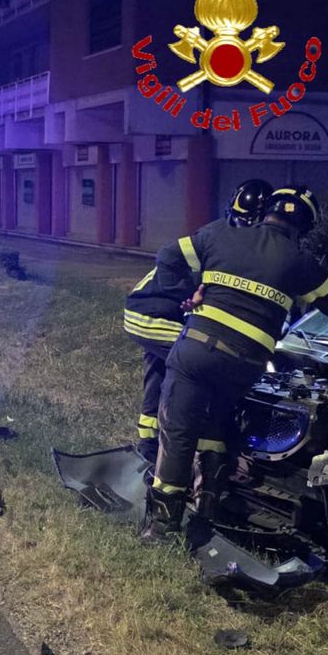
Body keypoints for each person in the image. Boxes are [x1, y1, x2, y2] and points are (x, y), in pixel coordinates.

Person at [142, 185, 328, 542]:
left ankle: (161, 528)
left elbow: (168, 256)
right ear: (304, 227)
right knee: (216, 429)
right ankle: (208, 507)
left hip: (195, 355)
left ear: (266, 211)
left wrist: (186, 294)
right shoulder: (300, 262)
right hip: (245, 366)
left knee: (179, 432)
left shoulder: (219, 234)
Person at [124, 179, 274, 463]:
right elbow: (168, 259)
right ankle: (206, 450)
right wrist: (187, 294)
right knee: (205, 365)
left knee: (160, 372)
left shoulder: (225, 236)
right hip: (154, 315)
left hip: (146, 313)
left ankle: (148, 444)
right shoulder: (219, 239)